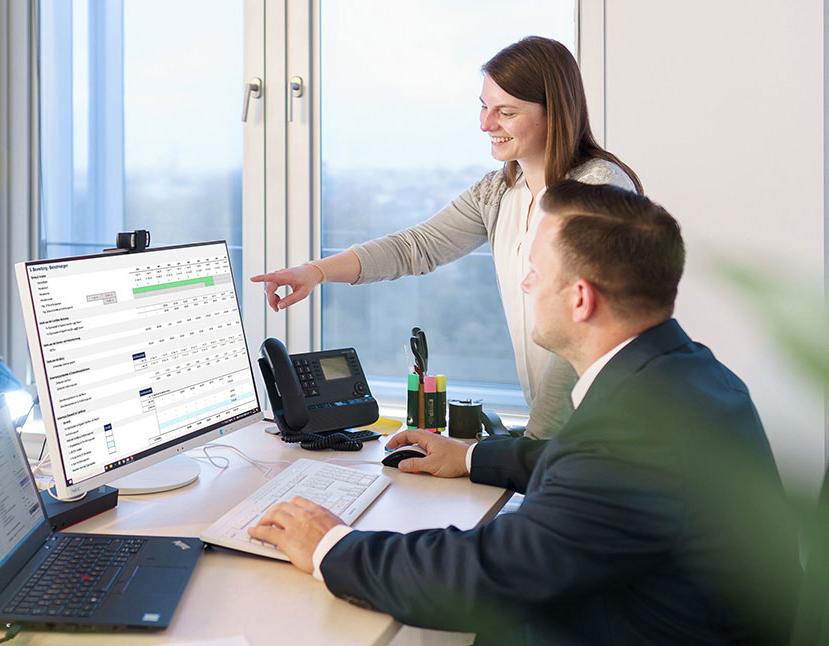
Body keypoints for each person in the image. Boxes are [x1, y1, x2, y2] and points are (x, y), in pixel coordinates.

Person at [249, 182, 800, 645]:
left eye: (534, 268)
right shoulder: (681, 372)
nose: (525, 282)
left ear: (580, 299)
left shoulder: (629, 432)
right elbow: (596, 473)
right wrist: (470, 456)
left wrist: (331, 544)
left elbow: (487, 577)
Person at [251, 36, 643, 439]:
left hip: (602, 428)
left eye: (505, 112)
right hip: (555, 431)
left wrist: (528, 445)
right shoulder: (498, 192)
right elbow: (415, 247)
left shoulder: (600, 189)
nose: (486, 124)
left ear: (555, 113)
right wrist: (315, 272)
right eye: (484, 106)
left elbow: (585, 323)